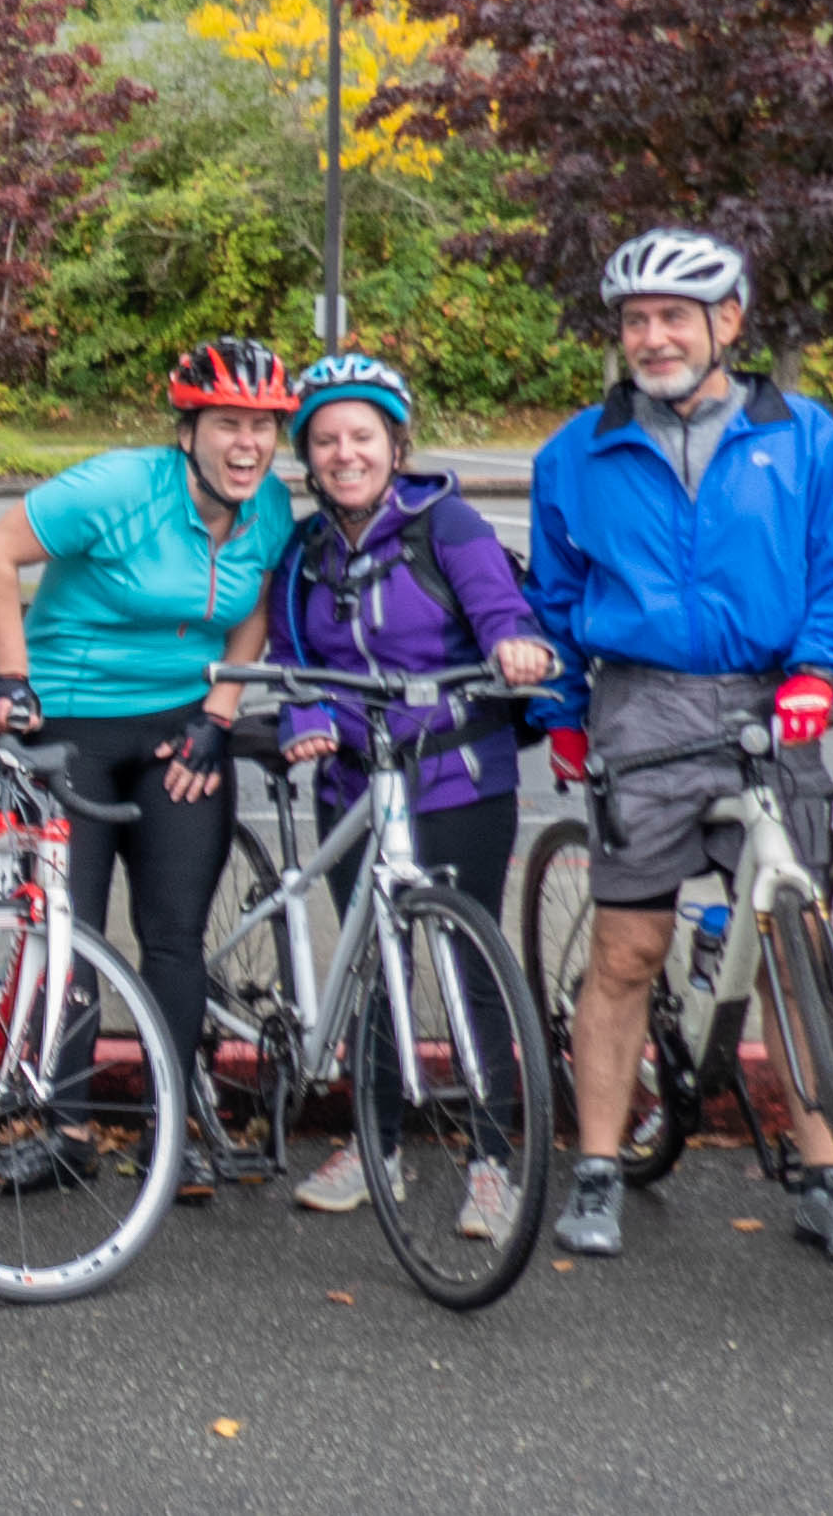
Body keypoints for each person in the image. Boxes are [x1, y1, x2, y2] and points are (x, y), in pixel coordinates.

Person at [520, 226, 833, 1270]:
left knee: (793, 947)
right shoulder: (577, 451)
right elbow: (549, 594)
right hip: (641, 707)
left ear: (727, 321)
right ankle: (600, 1163)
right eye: (635, 320)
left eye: (674, 317)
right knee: (626, 948)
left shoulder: (805, 437)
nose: (653, 337)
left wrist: (822, 670)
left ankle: (826, 1176)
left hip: (775, 700)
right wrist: (561, 709)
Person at [0, 336, 288, 1194]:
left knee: (174, 935)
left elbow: (256, 603)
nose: (247, 443)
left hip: (181, 729)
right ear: (187, 430)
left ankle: (168, 1132)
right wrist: (11, 676)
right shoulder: (115, 488)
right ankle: (66, 1130)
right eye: (227, 424)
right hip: (72, 720)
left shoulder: (270, 506)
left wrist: (221, 711)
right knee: (71, 931)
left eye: (262, 426)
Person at [265, 352, 558, 1237]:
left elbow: (501, 609)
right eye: (325, 440)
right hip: (356, 779)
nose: (343, 454)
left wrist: (514, 647)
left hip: (455, 776)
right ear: (308, 456)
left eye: (361, 435)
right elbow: (290, 655)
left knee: (471, 966)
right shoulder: (303, 551)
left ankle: (490, 1164)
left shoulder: (448, 524)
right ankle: (374, 1145)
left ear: (396, 445)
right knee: (371, 964)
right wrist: (304, 716)